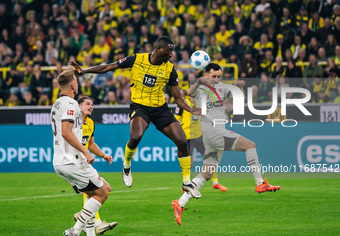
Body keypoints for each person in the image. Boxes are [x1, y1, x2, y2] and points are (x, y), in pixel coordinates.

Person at [70, 36, 202, 198]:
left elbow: (178, 99)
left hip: (160, 108)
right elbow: (108, 67)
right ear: (159, 49)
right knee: (136, 136)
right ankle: (126, 165)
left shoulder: (170, 69)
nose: (171, 54)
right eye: (169, 51)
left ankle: (186, 181)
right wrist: (84, 71)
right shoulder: (137, 59)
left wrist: (192, 110)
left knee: (182, 140)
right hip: (140, 106)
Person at [171, 63, 281, 225]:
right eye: (213, 76)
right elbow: (188, 92)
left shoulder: (222, 87)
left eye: (219, 76)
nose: (216, 79)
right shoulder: (201, 88)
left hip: (214, 134)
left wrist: (239, 88)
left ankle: (179, 203)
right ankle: (260, 183)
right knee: (250, 145)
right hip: (212, 132)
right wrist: (200, 81)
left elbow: (239, 101)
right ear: (206, 75)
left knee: (207, 174)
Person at [51, 70, 110, 236]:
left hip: (62, 161)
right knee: (102, 193)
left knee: (96, 192)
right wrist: (86, 152)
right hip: (72, 160)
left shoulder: (57, 104)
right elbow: (66, 133)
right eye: (76, 80)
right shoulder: (70, 104)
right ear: (74, 85)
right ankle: (75, 231)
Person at [72, 96, 117, 236]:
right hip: (73, 164)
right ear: (79, 106)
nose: (90, 106)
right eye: (87, 104)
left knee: (106, 188)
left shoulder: (90, 122)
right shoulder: (73, 122)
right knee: (90, 191)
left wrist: (103, 155)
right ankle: (96, 224)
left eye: (92, 104)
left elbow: (90, 144)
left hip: (84, 165)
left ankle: (84, 216)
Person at [175, 87, 227, 192]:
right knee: (189, 162)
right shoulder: (183, 104)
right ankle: (186, 183)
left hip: (199, 136)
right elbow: (176, 119)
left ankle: (215, 183)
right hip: (187, 136)